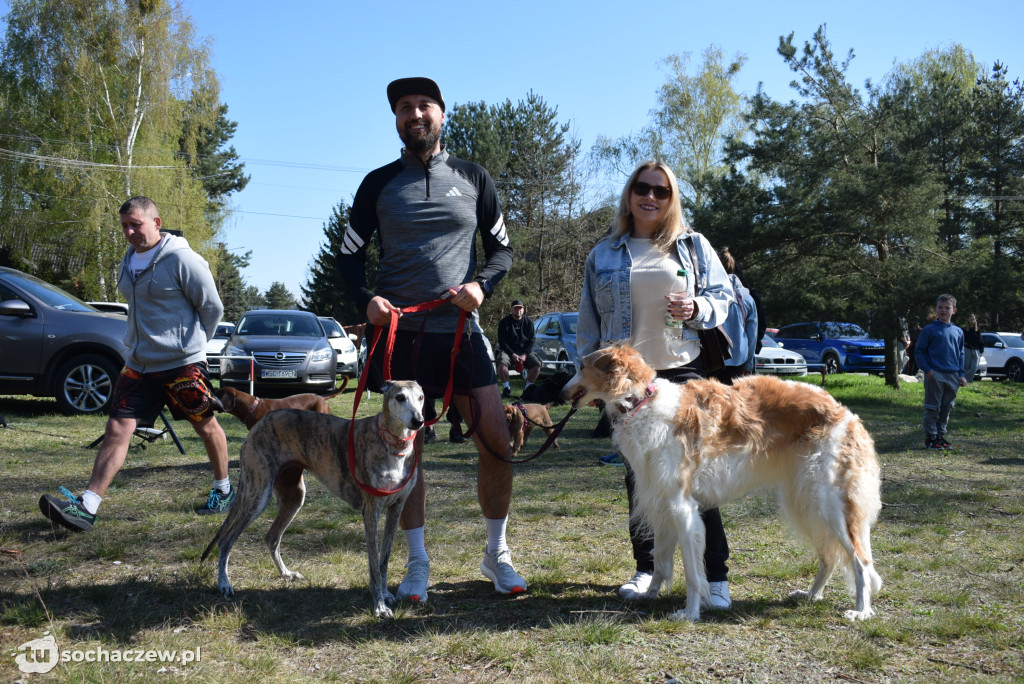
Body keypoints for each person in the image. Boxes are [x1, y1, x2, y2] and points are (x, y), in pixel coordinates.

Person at [336, 77, 525, 601]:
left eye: (424, 106)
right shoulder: (377, 184)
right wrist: (366, 301)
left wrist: (482, 286)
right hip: (400, 339)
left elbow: (502, 251)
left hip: (460, 333)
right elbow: (348, 257)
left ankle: (497, 555)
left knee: (496, 440)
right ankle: (417, 563)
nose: (414, 114)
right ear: (396, 120)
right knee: (405, 450)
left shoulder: (474, 178)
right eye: (404, 108)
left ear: (442, 114)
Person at [577, 160, 735, 608]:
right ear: (629, 194)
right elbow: (589, 325)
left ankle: (713, 578)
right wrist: (589, 380)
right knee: (640, 479)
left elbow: (724, 299)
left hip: (681, 371)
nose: (650, 197)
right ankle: (649, 570)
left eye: (661, 191)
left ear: (671, 199)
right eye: (642, 188)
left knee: (694, 478)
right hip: (625, 381)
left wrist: (698, 308)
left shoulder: (692, 245)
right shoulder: (603, 253)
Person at [39, 196, 231, 532]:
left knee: (205, 426)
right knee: (117, 428)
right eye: (125, 226)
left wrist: (192, 346)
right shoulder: (127, 262)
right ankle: (87, 506)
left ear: (156, 223)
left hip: (181, 364)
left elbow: (212, 308)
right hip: (139, 364)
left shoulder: (183, 260)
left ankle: (224, 490)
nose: (129, 232)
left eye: (136, 224)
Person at [915, 294, 967, 450]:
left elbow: (961, 354)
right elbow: (919, 351)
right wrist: (928, 370)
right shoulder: (929, 330)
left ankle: (940, 435)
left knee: (946, 407)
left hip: (953, 375)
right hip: (935, 374)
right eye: (940, 307)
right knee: (933, 407)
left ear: (954, 310)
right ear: (936, 309)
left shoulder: (958, 331)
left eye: (947, 308)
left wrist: (962, 374)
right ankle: (931, 437)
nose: (943, 310)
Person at [713, 247, 758, 385]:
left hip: (713, 356)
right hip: (739, 357)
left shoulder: (709, 294)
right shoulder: (748, 299)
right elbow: (752, 336)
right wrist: (749, 365)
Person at [496, 299, 542, 397]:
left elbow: (532, 340)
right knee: (501, 365)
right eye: (516, 308)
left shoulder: (529, 322)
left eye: (520, 308)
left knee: (537, 365)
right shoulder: (504, 322)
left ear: (523, 310)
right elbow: (502, 342)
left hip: (524, 351)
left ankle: (528, 389)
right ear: (512, 310)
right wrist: (512, 354)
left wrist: (525, 354)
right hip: (508, 351)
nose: (518, 310)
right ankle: (506, 388)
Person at [963, 314, 983, 383]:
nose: (972, 321)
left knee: (974, 367)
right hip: (967, 349)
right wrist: (963, 342)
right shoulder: (965, 329)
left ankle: (965, 378)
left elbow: (980, 340)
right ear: (968, 320)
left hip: (976, 350)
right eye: (971, 319)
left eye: (973, 319)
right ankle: (967, 381)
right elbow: (961, 338)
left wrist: (981, 350)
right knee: (967, 366)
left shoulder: (977, 330)